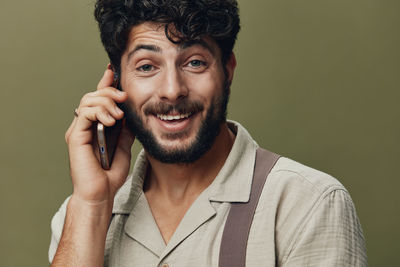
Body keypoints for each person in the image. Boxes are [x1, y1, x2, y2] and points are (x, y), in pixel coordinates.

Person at [49, 0, 367, 266]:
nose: (172, 91)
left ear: (227, 70)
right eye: (147, 66)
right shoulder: (77, 218)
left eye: (195, 62)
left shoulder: (307, 204)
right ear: (117, 82)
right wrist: (91, 204)